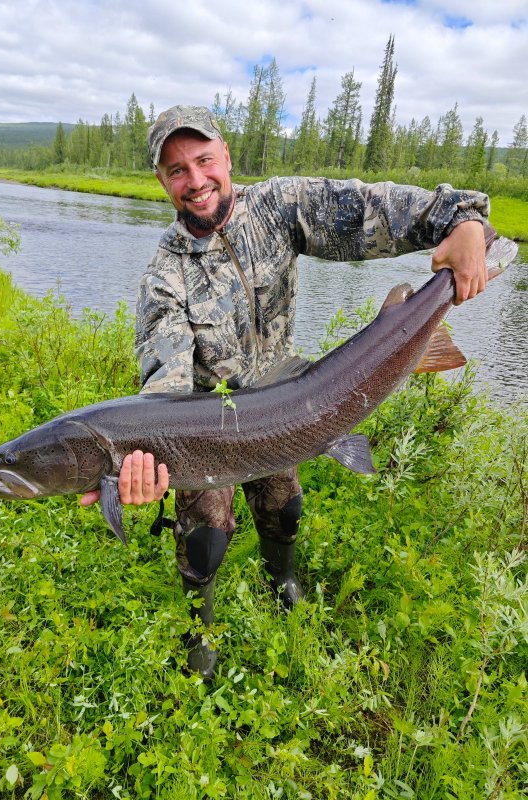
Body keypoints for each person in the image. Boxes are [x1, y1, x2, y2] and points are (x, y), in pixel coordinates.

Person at [81, 104, 491, 680]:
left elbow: (374, 210)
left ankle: (284, 581)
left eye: (204, 160)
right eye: (177, 170)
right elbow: (164, 395)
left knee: (285, 511)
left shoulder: (278, 207)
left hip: (290, 407)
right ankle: (201, 629)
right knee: (204, 542)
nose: (195, 180)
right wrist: (141, 461)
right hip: (205, 437)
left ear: (226, 156)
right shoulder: (163, 279)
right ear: (162, 181)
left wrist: (463, 220)